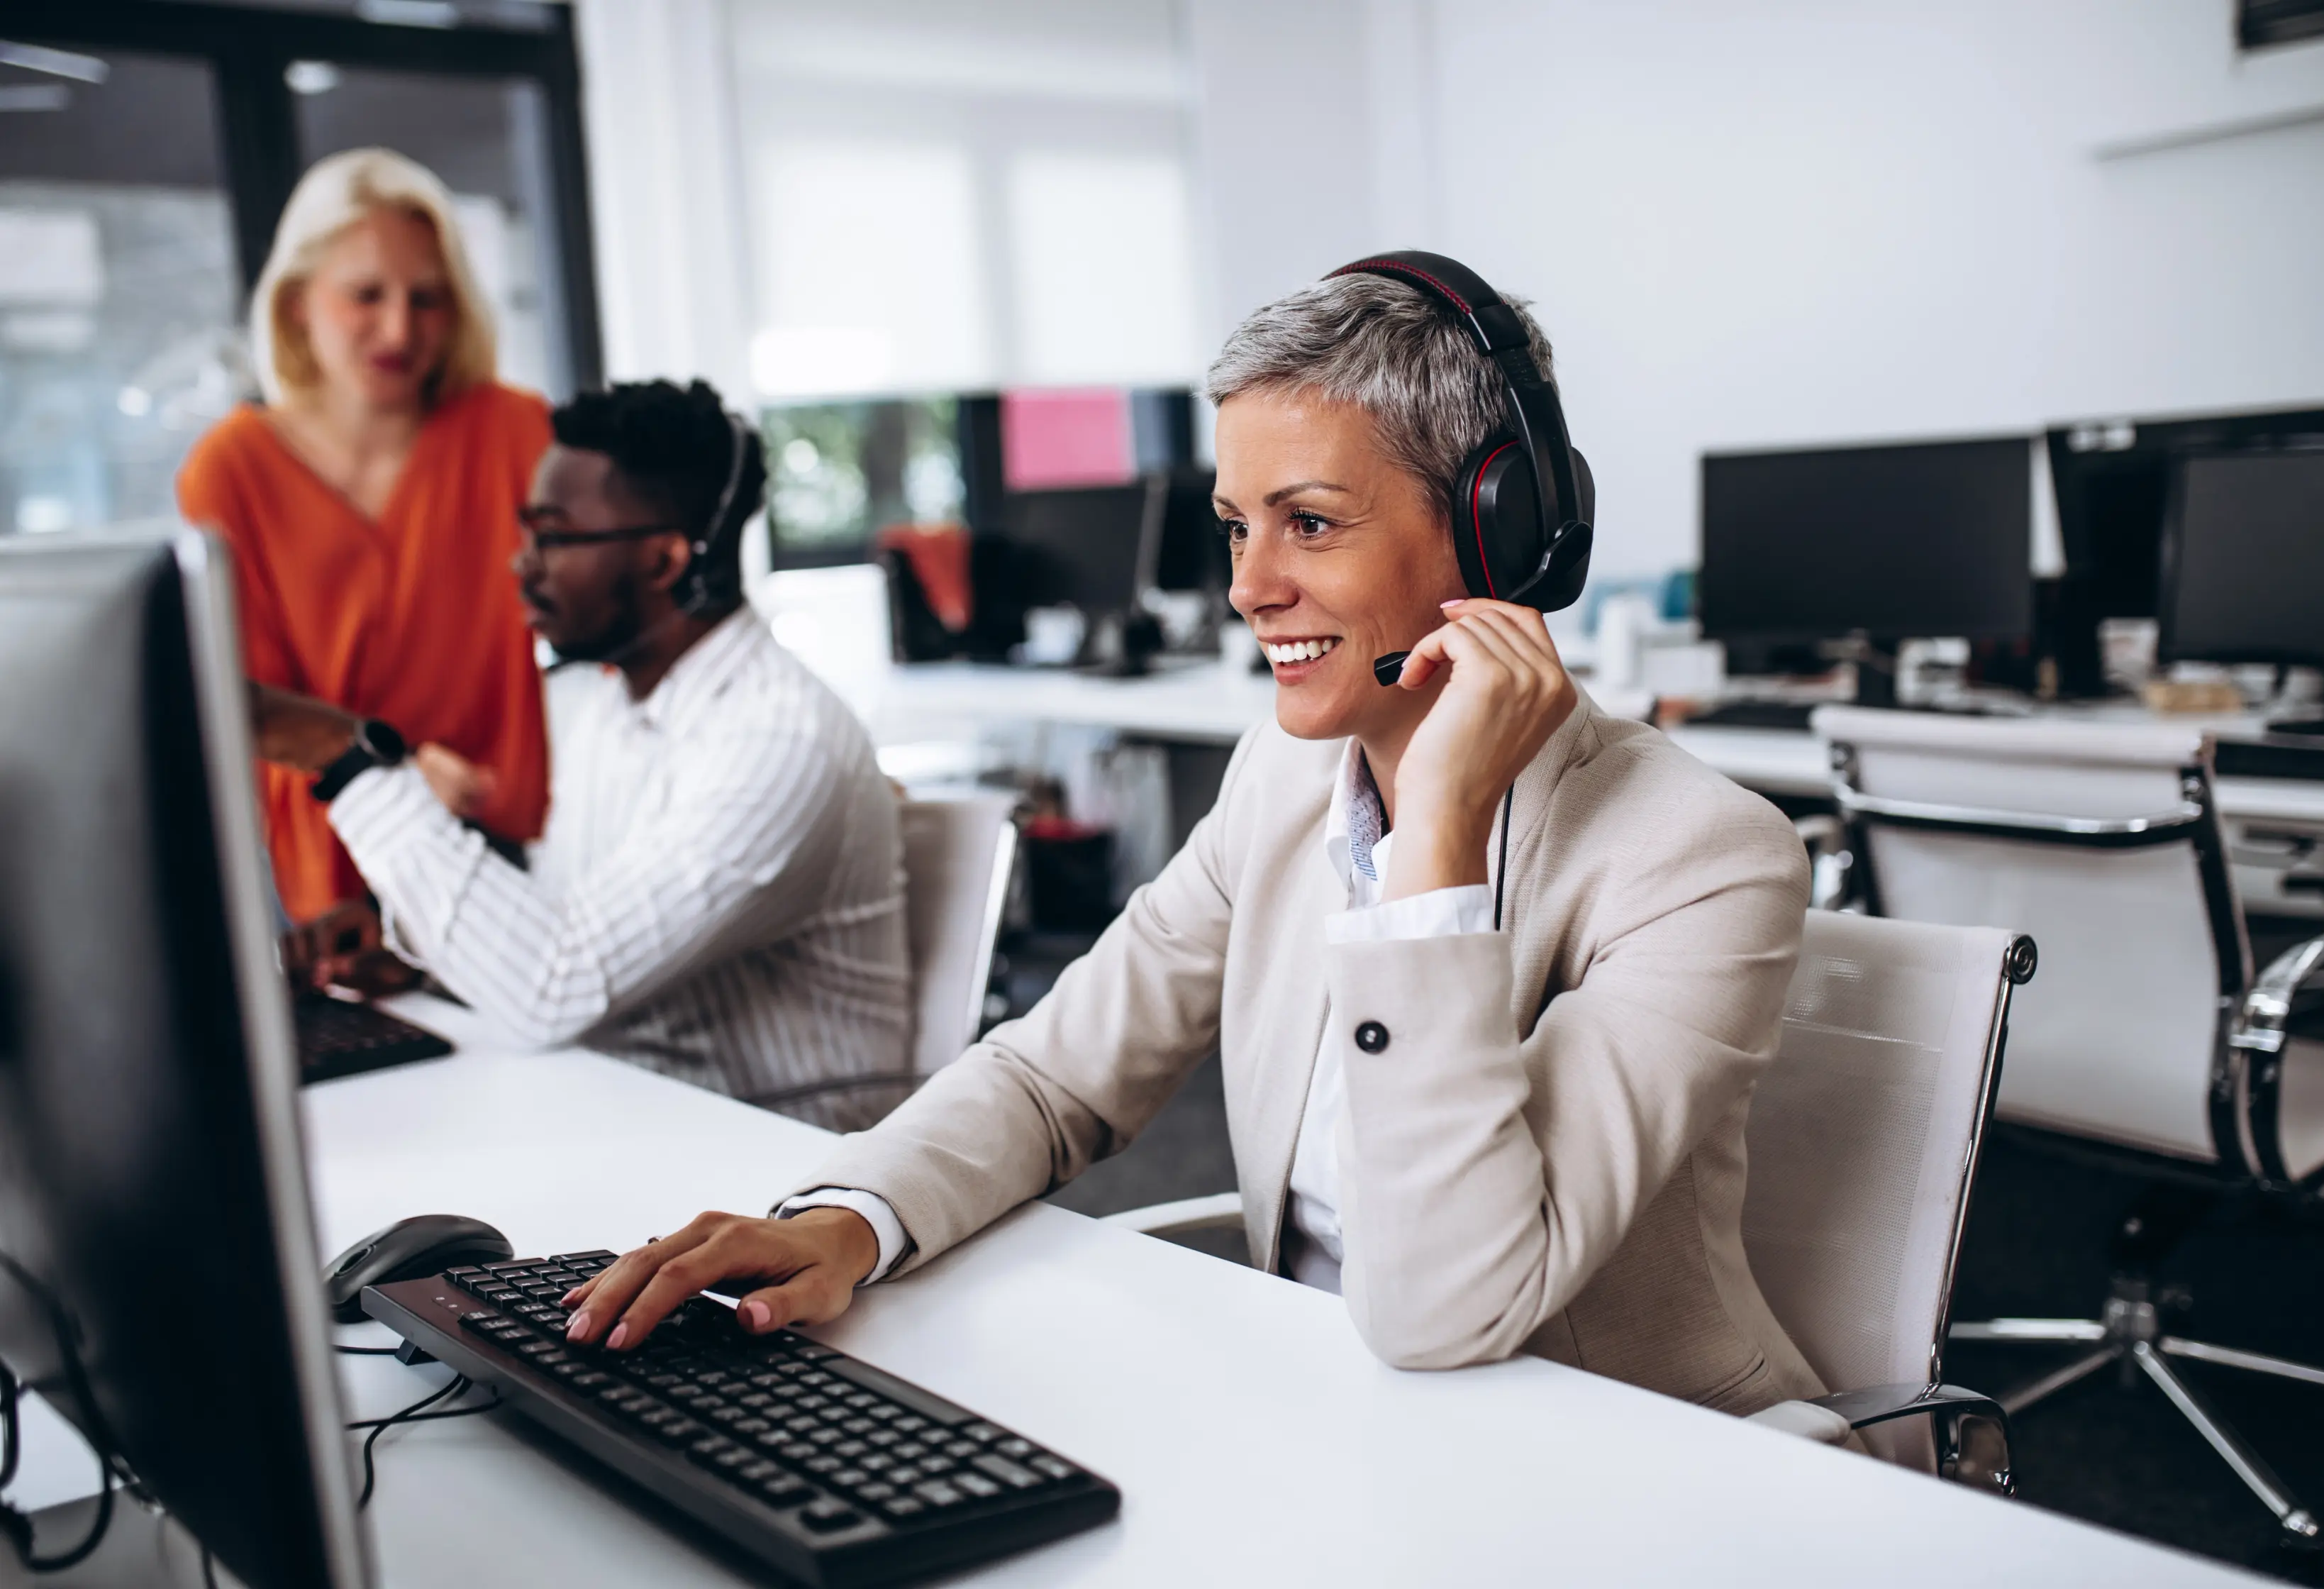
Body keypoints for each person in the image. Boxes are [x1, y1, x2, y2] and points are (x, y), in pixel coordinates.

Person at [562, 267, 1827, 1415]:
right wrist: (852, 1219)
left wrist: (1433, 842)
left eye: (1311, 523)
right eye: (1237, 523)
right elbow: (1058, 1075)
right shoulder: (1284, 780)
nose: (1246, 586)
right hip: (1339, 1410)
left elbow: (1450, 1309)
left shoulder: (1701, 862)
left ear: (1493, 530)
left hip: (1620, 1459)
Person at [253, 379, 912, 1127]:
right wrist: (419, 952)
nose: (522, 564)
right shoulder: (598, 707)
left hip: (778, 1173)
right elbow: (569, 929)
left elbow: (553, 984)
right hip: (627, 1122)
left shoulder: (780, 740)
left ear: (664, 561)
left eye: (555, 536)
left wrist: (343, 752)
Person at [179, 147, 550, 953]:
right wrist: (401, 772)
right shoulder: (231, 469)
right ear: (297, 302)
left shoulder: (515, 432)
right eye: (366, 295)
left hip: (515, 858)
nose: (399, 329)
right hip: (332, 882)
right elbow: (249, 706)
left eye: (428, 299)